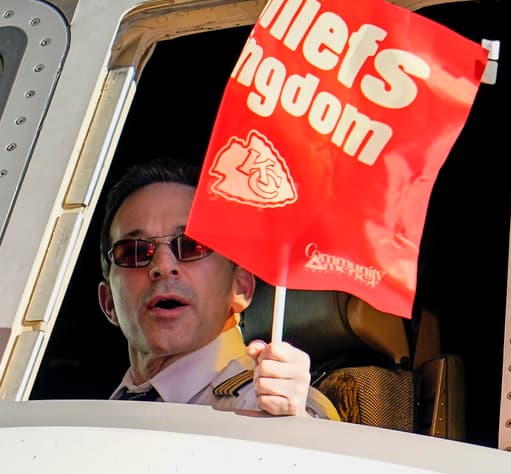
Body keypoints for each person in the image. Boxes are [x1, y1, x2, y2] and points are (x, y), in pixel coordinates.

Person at [97, 159, 338, 419]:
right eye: (134, 252)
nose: (163, 266)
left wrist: (296, 422)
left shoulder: (264, 404)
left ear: (241, 288)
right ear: (108, 302)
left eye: (192, 246)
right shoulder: (95, 415)